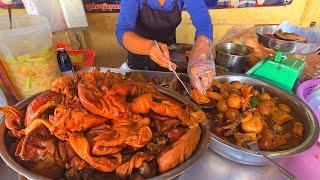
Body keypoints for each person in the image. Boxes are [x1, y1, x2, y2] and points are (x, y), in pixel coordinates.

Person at [115, 0, 215, 93]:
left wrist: (199, 55)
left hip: (169, 55)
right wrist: (150, 47)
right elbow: (123, 31)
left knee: (168, 91)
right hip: (139, 55)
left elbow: (203, 23)